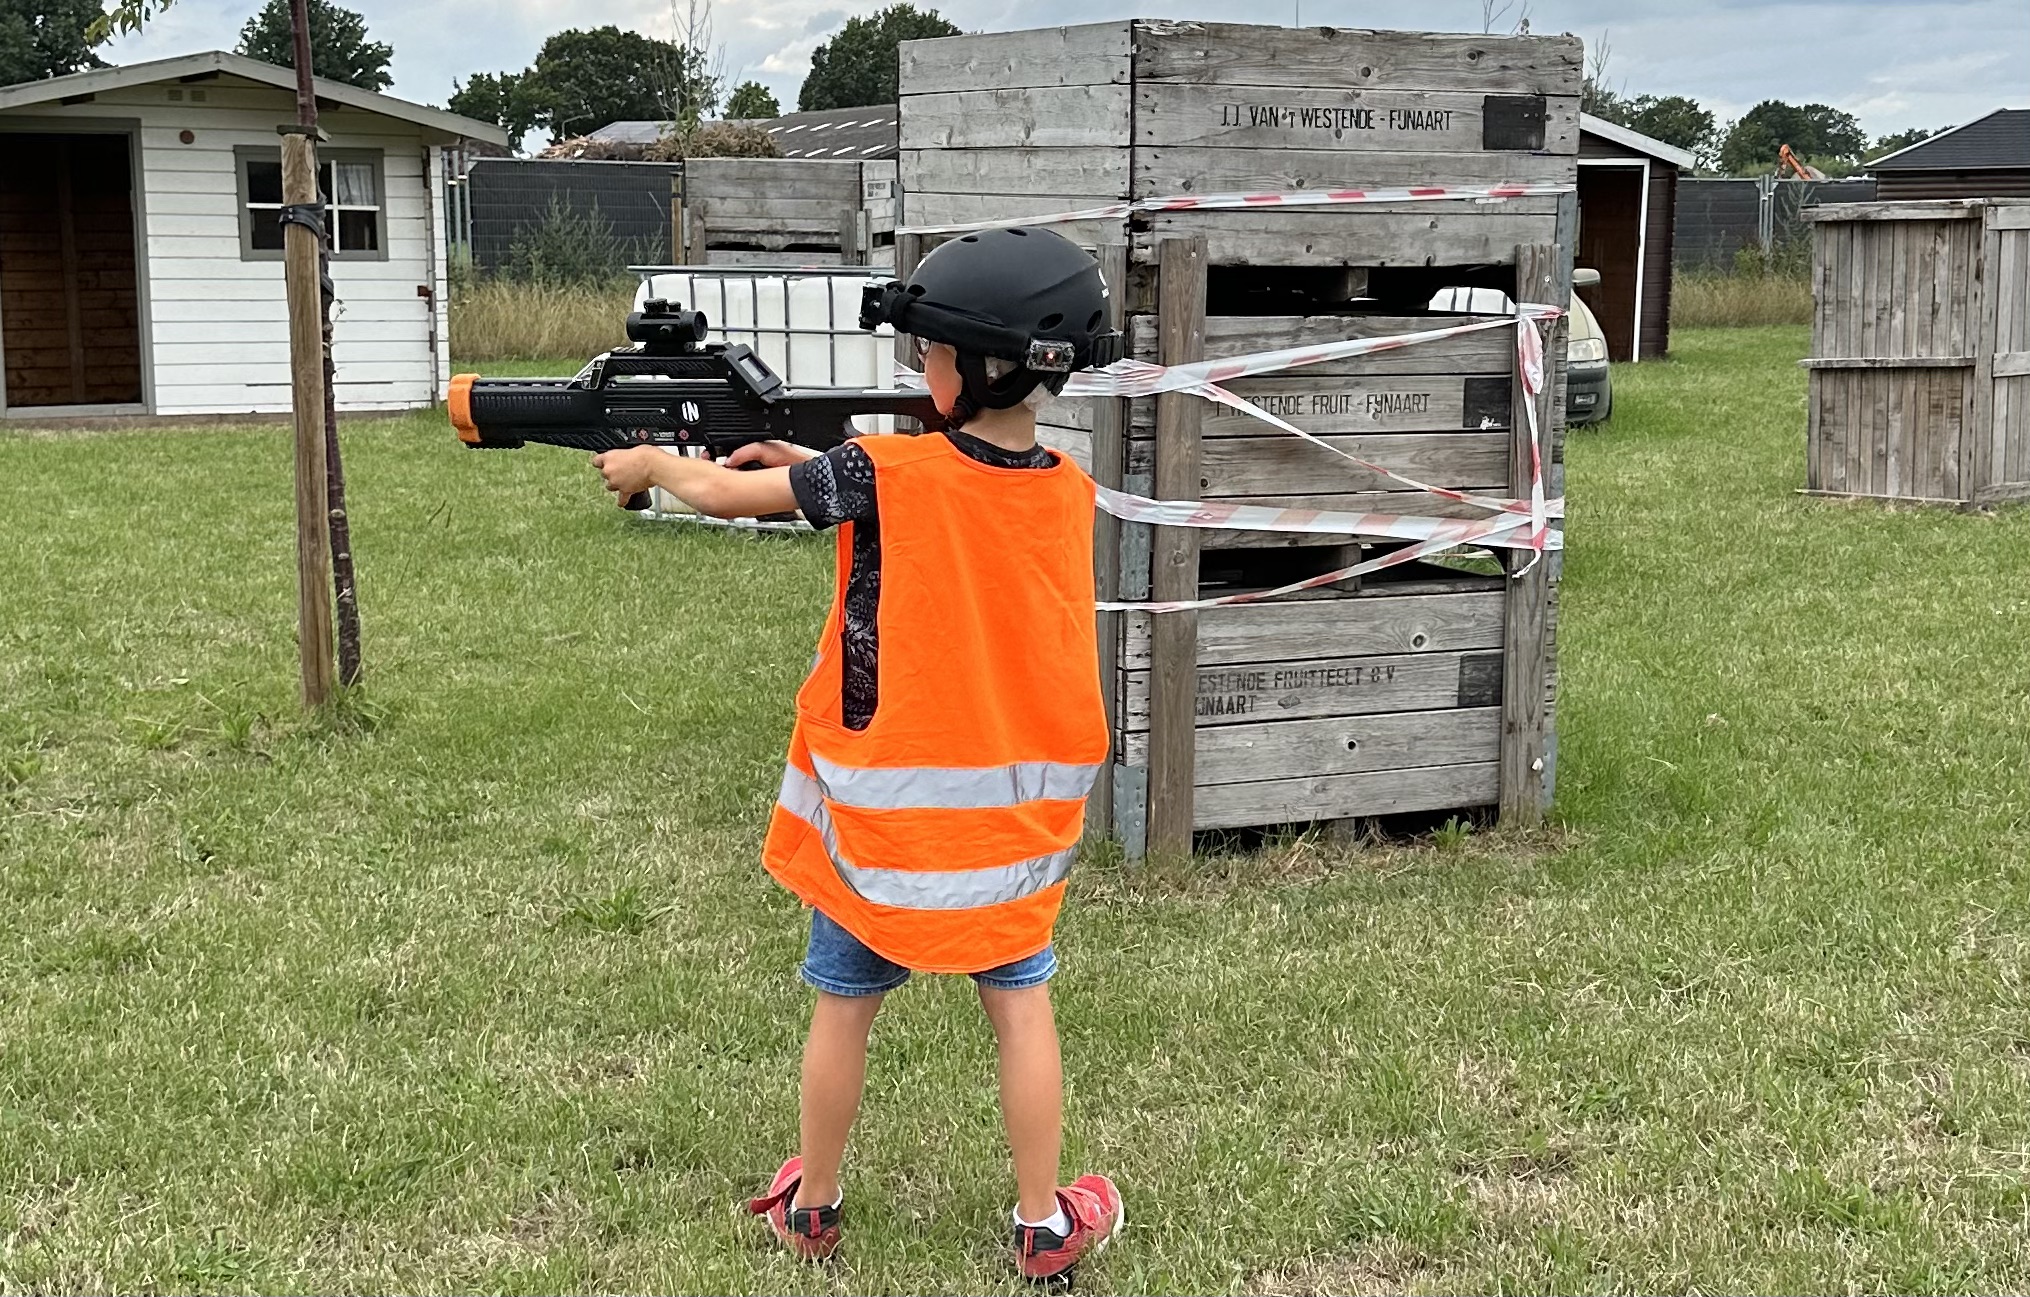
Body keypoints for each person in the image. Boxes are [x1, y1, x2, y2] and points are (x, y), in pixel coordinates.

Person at [590, 227, 1126, 1283]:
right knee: (1021, 1011)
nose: (915, 366)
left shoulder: (879, 470)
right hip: (1003, 841)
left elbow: (726, 497)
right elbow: (937, 516)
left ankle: (814, 1204)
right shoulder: (1065, 488)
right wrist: (810, 470)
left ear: (981, 364)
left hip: (873, 839)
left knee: (842, 1009)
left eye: (927, 350)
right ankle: (1041, 1222)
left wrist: (655, 464)